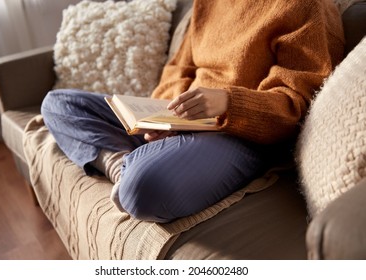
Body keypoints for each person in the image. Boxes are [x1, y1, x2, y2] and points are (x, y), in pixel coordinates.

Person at [41, 0, 344, 223]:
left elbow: (296, 105)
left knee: (141, 190)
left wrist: (228, 102)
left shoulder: (308, 7)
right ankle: (120, 164)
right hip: (183, 118)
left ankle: (131, 168)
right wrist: (164, 118)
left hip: (238, 134)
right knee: (59, 104)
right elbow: (178, 68)